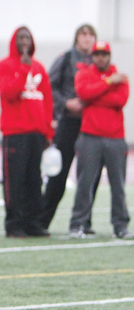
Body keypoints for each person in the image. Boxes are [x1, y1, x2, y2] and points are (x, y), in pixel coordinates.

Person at [0, 27, 54, 238]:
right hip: (15, 133)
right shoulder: (4, 66)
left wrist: (48, 131)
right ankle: (14, 224)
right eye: (21, 37)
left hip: (37, 133)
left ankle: (33, 223)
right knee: (15, 180)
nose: (24, 41)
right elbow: (9, 93)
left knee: (34, 180)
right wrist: (22, 69)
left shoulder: (40, 68)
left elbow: (47, 100)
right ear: (14, 41)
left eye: (27, 37)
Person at [69, 41, 132, 239]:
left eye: (104, 54)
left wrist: (95, 95)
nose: (100, 57)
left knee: (118, 186)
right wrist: (108, 83)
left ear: (109, 56)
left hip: (115, 138)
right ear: (92, 56)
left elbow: (119, 101)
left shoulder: (121, 78)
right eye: (97, 54)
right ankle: (77, 224)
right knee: (84, 184)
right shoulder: (84, 74)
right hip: (90, 137)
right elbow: (83, 93)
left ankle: (120, 226)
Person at [40, 24, 97, 232]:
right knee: (59, 174)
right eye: (84, 34)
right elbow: (48, 86)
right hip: (68, 122)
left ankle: (84, 222)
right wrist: (66, 103)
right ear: (76, 37)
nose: (87, 38)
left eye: (91, 34)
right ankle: (42, 221)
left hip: (91, 124)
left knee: (90, 174)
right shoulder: (65, 58)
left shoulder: (98, 61)